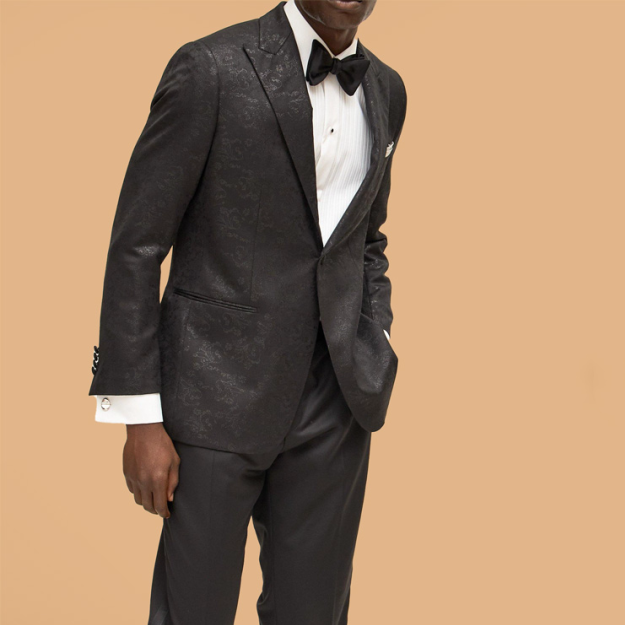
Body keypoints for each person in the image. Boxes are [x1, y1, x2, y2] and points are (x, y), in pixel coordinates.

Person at [89, 0, 407, 622]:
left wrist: (377, 337)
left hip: (335, 401)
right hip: (214, 395)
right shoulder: (210, 68)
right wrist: (138, 417)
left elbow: (367, 238)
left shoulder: (387, 90)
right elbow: (136, 245)